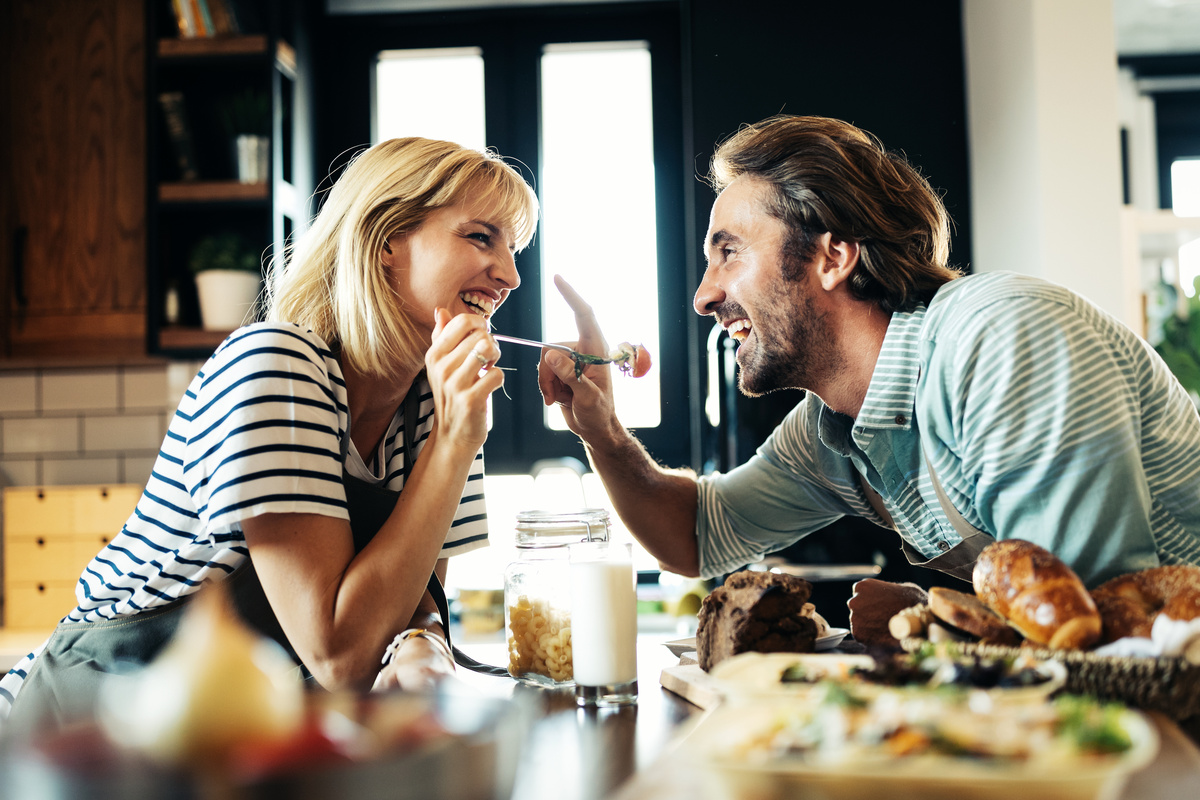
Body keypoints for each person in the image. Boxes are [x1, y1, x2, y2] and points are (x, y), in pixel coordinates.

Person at [537, 114, 1200, 606]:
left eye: (728, 252)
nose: (704, 295)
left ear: (833, 256)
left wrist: (930, 618)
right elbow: (698, 534)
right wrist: (603, 433)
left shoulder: (1001, 338)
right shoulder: (834, 430)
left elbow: (1083, 614)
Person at [0, 137, 538, 726]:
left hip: (239, 725)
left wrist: (424, 643)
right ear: (387, 242)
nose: (510, 275)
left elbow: (414, 601)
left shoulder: (437, 405)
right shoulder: (275, 364)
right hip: (91, 717)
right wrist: (455, 443)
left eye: (514, 249)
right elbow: (340, 656)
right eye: (480, 237)